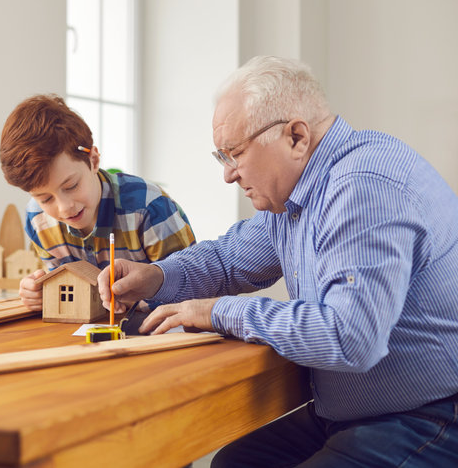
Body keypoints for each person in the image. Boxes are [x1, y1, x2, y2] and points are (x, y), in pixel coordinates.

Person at [98, 56, 458, 467]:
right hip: (349, 411)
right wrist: (156, 276)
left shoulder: (363, 188)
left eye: (234, 153)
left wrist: (219, 312)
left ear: (297, 137)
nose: (229, 175)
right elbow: (227, 259)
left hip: (429, 416)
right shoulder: (293, 199)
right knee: (232, 463)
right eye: (222, 157)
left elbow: (350, 337)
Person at [0, 94, 195, 311]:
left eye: (71, 186)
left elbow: (193, 287)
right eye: (45, 198)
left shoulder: (149, 207)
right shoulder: (38, 220)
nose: (64, 207)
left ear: (93, 160)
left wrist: (138, 300)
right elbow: (67, 292)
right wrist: (42, 293)